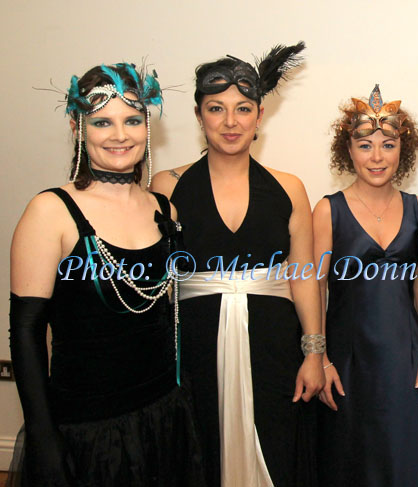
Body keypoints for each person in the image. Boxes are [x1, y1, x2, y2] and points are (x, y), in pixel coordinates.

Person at [8, 63, 205, 486]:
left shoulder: (163, 209)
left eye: (133, 120)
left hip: (163, 414)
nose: (120, 135)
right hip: (88, 428)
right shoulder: (50, 212)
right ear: (79, 128)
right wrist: (43, 435)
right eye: (103, 122)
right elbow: (25, 331)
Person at [150, 42, 325, 487]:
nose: (231, 122)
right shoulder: (166, 186)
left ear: (260, 115)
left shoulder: (289, 188)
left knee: (276, 443)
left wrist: (314, 353)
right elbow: (155, 283)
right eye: (216, 108)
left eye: (243, 108)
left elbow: (303, 276)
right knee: (200, 448)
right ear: (198, 115)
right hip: (194, 346)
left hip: (274, 346)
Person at [313, 85, 418, 487]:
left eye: (388, 144)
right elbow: (314, 287)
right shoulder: (328, 210)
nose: (377, 157)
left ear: (403, 150)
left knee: (405, 459)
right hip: (348, 360)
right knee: (352, 460)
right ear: (348, 151)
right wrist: (319, 356)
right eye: (365, 145)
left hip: (404, 359)